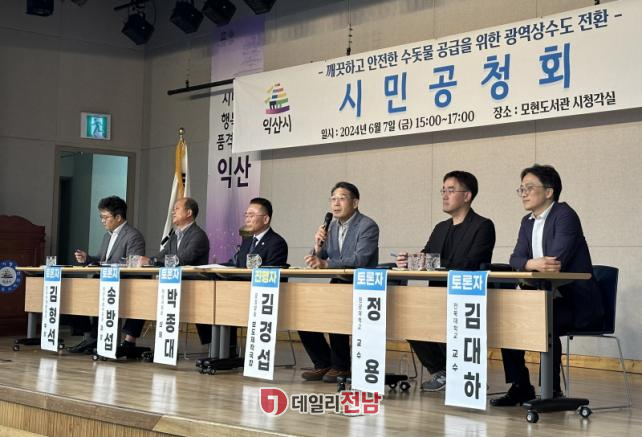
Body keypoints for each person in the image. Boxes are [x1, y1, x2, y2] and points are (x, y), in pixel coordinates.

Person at [491, 164, 603, 407]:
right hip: (544, 299)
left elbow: (554, 262)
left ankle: (552, 391)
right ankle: (521, 386)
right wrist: (530, 263)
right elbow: (515, 259)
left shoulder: (565, 215)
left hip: (575, 303)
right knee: (508, 320)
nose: (523, 193)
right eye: (521, 189)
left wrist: (529, 264)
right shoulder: (527, 222)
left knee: (543, 320)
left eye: (529, 188)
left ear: (549, 191)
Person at [396, 171, 495, 391]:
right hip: (437, 295)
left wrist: (431, 261)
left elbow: (471, 263)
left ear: (467, 196)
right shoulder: (441, 228)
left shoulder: (483, 226)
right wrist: (410, 260)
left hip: (466, 298)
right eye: (443, 190)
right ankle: (441, 371)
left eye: (451, 190)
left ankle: (461, 372)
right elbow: (426, 256)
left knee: (442, 318)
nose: (444, 195)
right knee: (409, 320)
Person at [300, 181, 379, 383]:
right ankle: (324, 362)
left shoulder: (367, 226)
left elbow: (360, 260)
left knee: (336, 313)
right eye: (333, 199)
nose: (336, 203)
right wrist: (317, 247)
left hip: (361, 285)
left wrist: (326, 263)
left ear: (355, 202)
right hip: (338, 283)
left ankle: (341, 367)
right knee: (303, 315)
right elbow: (319, 258)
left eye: (342, 198)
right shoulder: (331, 226)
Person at [119, 197, 210, 351]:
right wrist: (147, 261)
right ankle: (129, 341)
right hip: (173, 284)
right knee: (145, 292)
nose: (173, 212)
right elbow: (162, 255)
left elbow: (182, 259)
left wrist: (151, 261)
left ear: (189, 213)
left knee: (153, 291)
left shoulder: (198, 235)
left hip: (193, 287)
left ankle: (214, 346)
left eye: (177, 209)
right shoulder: (175, 236)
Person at [197, 197, 288, 347]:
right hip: (238, 292)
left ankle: (228, 349)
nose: (247, 219)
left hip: (260, 297)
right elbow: (237, 264)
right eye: (246, 215)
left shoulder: (277, 242)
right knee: (212, 290)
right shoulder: (247, 241)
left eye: (252, 215)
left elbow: (271, 274)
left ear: (266, 219)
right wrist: (213, 267)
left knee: (226, 297)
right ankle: (220, 348)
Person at [68, 195, 145, 353]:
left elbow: (133, 263)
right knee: (75, 291)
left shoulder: (133, 236)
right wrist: (87, 258)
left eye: (105, 217)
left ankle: (94, 338)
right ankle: (90, 336)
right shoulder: (107, 236)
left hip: (123, 283)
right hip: (105, 280)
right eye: (101, 217)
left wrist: (106, 265)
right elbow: (101, 259)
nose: (102, 221)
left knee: (94, 286)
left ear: (118, 217)